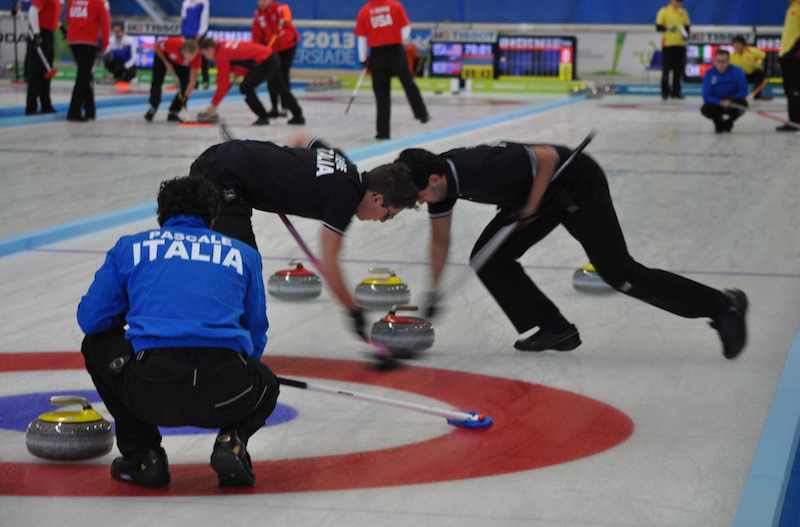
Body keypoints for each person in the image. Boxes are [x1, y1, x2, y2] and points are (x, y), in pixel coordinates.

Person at [387, 141, 748, 360]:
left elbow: (544, 157)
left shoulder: (480, 166)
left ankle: (722, 305)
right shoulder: (439, 187)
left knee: (619, 273)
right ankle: (555, 328)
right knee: (490, 258)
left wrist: (530, 204)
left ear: (433, 180)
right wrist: (433, 291)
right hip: (535, 198)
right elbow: (439, 240)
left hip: (575, 184)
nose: (418, 202)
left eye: (418, 195)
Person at [77, 176, 278, 488]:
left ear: (162, 214)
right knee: (266, 382)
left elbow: (92, 320)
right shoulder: (243, 255)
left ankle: (144, 455)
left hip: (150, 390)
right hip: (226, 392)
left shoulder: (130, 248)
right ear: (212, 216)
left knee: (96, 344)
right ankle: (231, 441)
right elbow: (255, 333)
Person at [188, 134, 418, 340]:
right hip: (223, 176)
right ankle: (226, 346)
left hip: (225, 164)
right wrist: (353, 311)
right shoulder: (344, 200)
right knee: (241, 266)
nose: (381, 220)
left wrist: (282, 166)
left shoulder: (344, 164)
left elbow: (300, 139)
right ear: (377, 199)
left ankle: (221, 335)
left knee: (236, 264)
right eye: (388, 216)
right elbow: (329, 263)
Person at [354, 0, 429, 140]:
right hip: (395, 51)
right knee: (408, 84)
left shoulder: (364, 11)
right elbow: (406, 28)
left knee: (381, 96)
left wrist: (363, 59)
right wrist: (398, 39)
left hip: (377, 55)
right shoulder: (395, 6)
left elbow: (362, 38)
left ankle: (383, 132)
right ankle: (422, 114)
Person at [196, 37, 304, 126]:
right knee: (279, 88)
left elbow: (223, 85)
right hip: (271, 57)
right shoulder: (223, 44)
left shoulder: (221, 55)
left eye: (204, 54)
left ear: (210, 49)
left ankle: (263, 117)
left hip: (265, 61)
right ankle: (298, 116)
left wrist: (212, 106)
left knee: (245, 87)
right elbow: (243, 66)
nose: (206, 58)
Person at [251, 0, 299, 118]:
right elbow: (256, 35)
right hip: (271, 48)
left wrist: (280, 37)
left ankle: (285, 106)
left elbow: (288, 27)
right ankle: (274, 108)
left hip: (287, 47)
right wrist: (258, 49)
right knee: (270, 75)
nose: (261, 2)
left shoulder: (282, 9)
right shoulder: (258, 15)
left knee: (283, 75)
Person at [65, 0, 110, 122]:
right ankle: (73, 112)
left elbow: (68, 18)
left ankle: (90, 110)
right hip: (88, 41)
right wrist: (105, 44)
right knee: (83, 77)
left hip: (73, 41)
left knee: (85, 74)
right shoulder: (99, 2)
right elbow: (105, 22)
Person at [145, 37, 200, 123]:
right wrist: (166, 62)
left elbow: (192, 82)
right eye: (190, 56)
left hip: (180, 64)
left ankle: (173, 112)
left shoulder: (196, 57)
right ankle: (153, 107)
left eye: (194, 56)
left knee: (185, 85)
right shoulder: (173, 43)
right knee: (157, 81)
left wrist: (184, 98)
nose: (192, 59)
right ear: (184, 51)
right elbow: (156, 46)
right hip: (163, 57)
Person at [24, 0, 61, 115]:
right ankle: (31, 106)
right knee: (35, 71)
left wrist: (61, 27)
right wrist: (36, 34)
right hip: (40, 33)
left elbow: (49, 14)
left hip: (48, 33)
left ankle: (46, 104)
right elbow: (32, 11)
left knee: (47, 71)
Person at [701, 50, 748, 133]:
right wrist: (720, 102)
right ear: (714, 61)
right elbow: (706, 96)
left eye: (724, 61)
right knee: (705, 109)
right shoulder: (709, 73)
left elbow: (743, 91)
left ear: (729, 61)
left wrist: (730, 100)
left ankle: (729, 121)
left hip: (732, 100)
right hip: (716, 102)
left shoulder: (738, 72)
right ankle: (718, 121)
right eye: (718, 61)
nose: (721, 64)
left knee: (743, 105)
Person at [655, 0, 690, 100]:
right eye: (676, 1)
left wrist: (686, 35)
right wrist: (669, 28)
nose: (678, 3)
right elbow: (658, 27)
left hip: (680, 45)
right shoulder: (664, 11)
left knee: (678, 70)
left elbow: (687, 27)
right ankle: (665, 92)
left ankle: (676, 92)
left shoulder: (683, 12)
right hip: (668, 45)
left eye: (680, 1)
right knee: (666, 70)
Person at [777, 0, 800, 132]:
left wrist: (791, 53)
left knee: (794, 91)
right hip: (786, 56)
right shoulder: (792, 7)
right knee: (790, 91)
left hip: (794, 57)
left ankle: (795, 122)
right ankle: (794, 120)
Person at [180, 0, 210, 89]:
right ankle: (193, 82)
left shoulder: (204, 2)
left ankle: (205, 81)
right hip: (187, 34)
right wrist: (183, 34)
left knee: (203, 58)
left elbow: (205, 18)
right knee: (189, 59)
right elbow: (183, 18)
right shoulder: (186, 3)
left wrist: (200, 34)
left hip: (198, 35)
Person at [730, 35, 770, 100]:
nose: (736, 47)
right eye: (734, 45)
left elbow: (764, 56)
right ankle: (737, 95)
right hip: (743, 75)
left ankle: (757, 96)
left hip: (755, 73)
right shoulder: (732, 56)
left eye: (738, 44)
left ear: (743, 44)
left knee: (760, 74)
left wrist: (760, 63)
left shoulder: (751, 50)